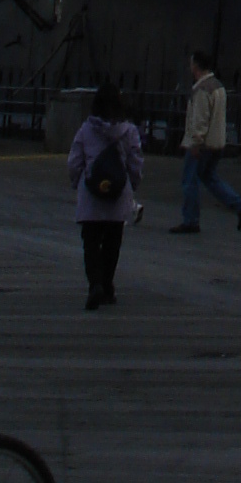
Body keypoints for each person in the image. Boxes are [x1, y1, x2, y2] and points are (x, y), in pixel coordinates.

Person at [67, 80, 144, 312]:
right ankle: (108, 285)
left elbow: (74, 162)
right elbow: (136, 162)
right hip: (117, 196)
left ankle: (95, 285)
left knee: (90, 244)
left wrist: (77, 183)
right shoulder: (128, 131)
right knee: (112, 243)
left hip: (92, 195)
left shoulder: (85, 130)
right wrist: (134, 183)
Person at [172, 50, 241, 236]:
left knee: (189, 181)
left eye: (191, 63)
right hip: (217, 142)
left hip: (203, 144)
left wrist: (195, 143)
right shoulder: (218, 86)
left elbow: (200, 119)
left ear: (196, 65)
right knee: (209, 177)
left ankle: (191, 220)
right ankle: (238, 204)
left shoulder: (201, 90)